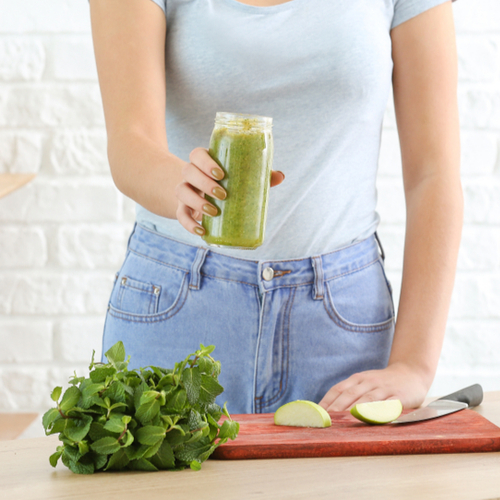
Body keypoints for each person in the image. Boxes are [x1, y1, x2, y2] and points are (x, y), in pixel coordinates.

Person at [89, 0, 462, 415]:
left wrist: (413, 364)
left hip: (340, 324)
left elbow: (434, 174)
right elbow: (130, 143)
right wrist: (183, 187)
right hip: (176, 310)